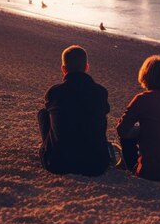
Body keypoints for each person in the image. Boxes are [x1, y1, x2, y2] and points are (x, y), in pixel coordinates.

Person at [38, 45, 111, 176]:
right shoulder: (100, 92)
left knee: (44, 114)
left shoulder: (54, 92)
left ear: (63, 69)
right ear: (86, 67)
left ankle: (51, 146)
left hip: (57, 163)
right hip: (96, 165)